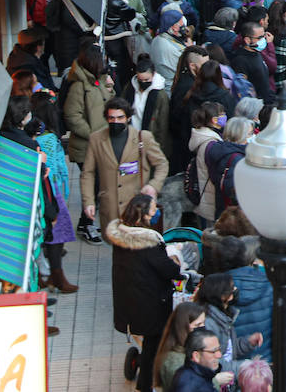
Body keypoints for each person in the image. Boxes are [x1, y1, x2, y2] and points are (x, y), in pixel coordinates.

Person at [106, 194, 181, 392]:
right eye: (153, 209)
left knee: (148, 342)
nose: (156, 213)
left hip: (129, 301)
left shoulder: (121, 237)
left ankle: (142, 368)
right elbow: (169, 270)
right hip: (150, 303)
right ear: (144, 214)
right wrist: (176, 262)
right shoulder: (149, 242)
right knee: (153, 344)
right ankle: (144, 385)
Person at [81, 97, 168, 231]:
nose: (115, 121)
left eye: (120, 117)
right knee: (115, 248)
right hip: (110, 208)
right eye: (111, 118)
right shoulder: (96, 139)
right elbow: (88, 173)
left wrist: (154, 186)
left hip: (137, 207)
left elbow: (161, 164)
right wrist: (88, 201)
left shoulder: (143, 138)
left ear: (128, 118)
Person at [168, 329, 233, 392]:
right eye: (213, 351)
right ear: (196, 356)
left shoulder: (201, 375)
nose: (219, 355)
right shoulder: (188, 385)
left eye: (219, 349)